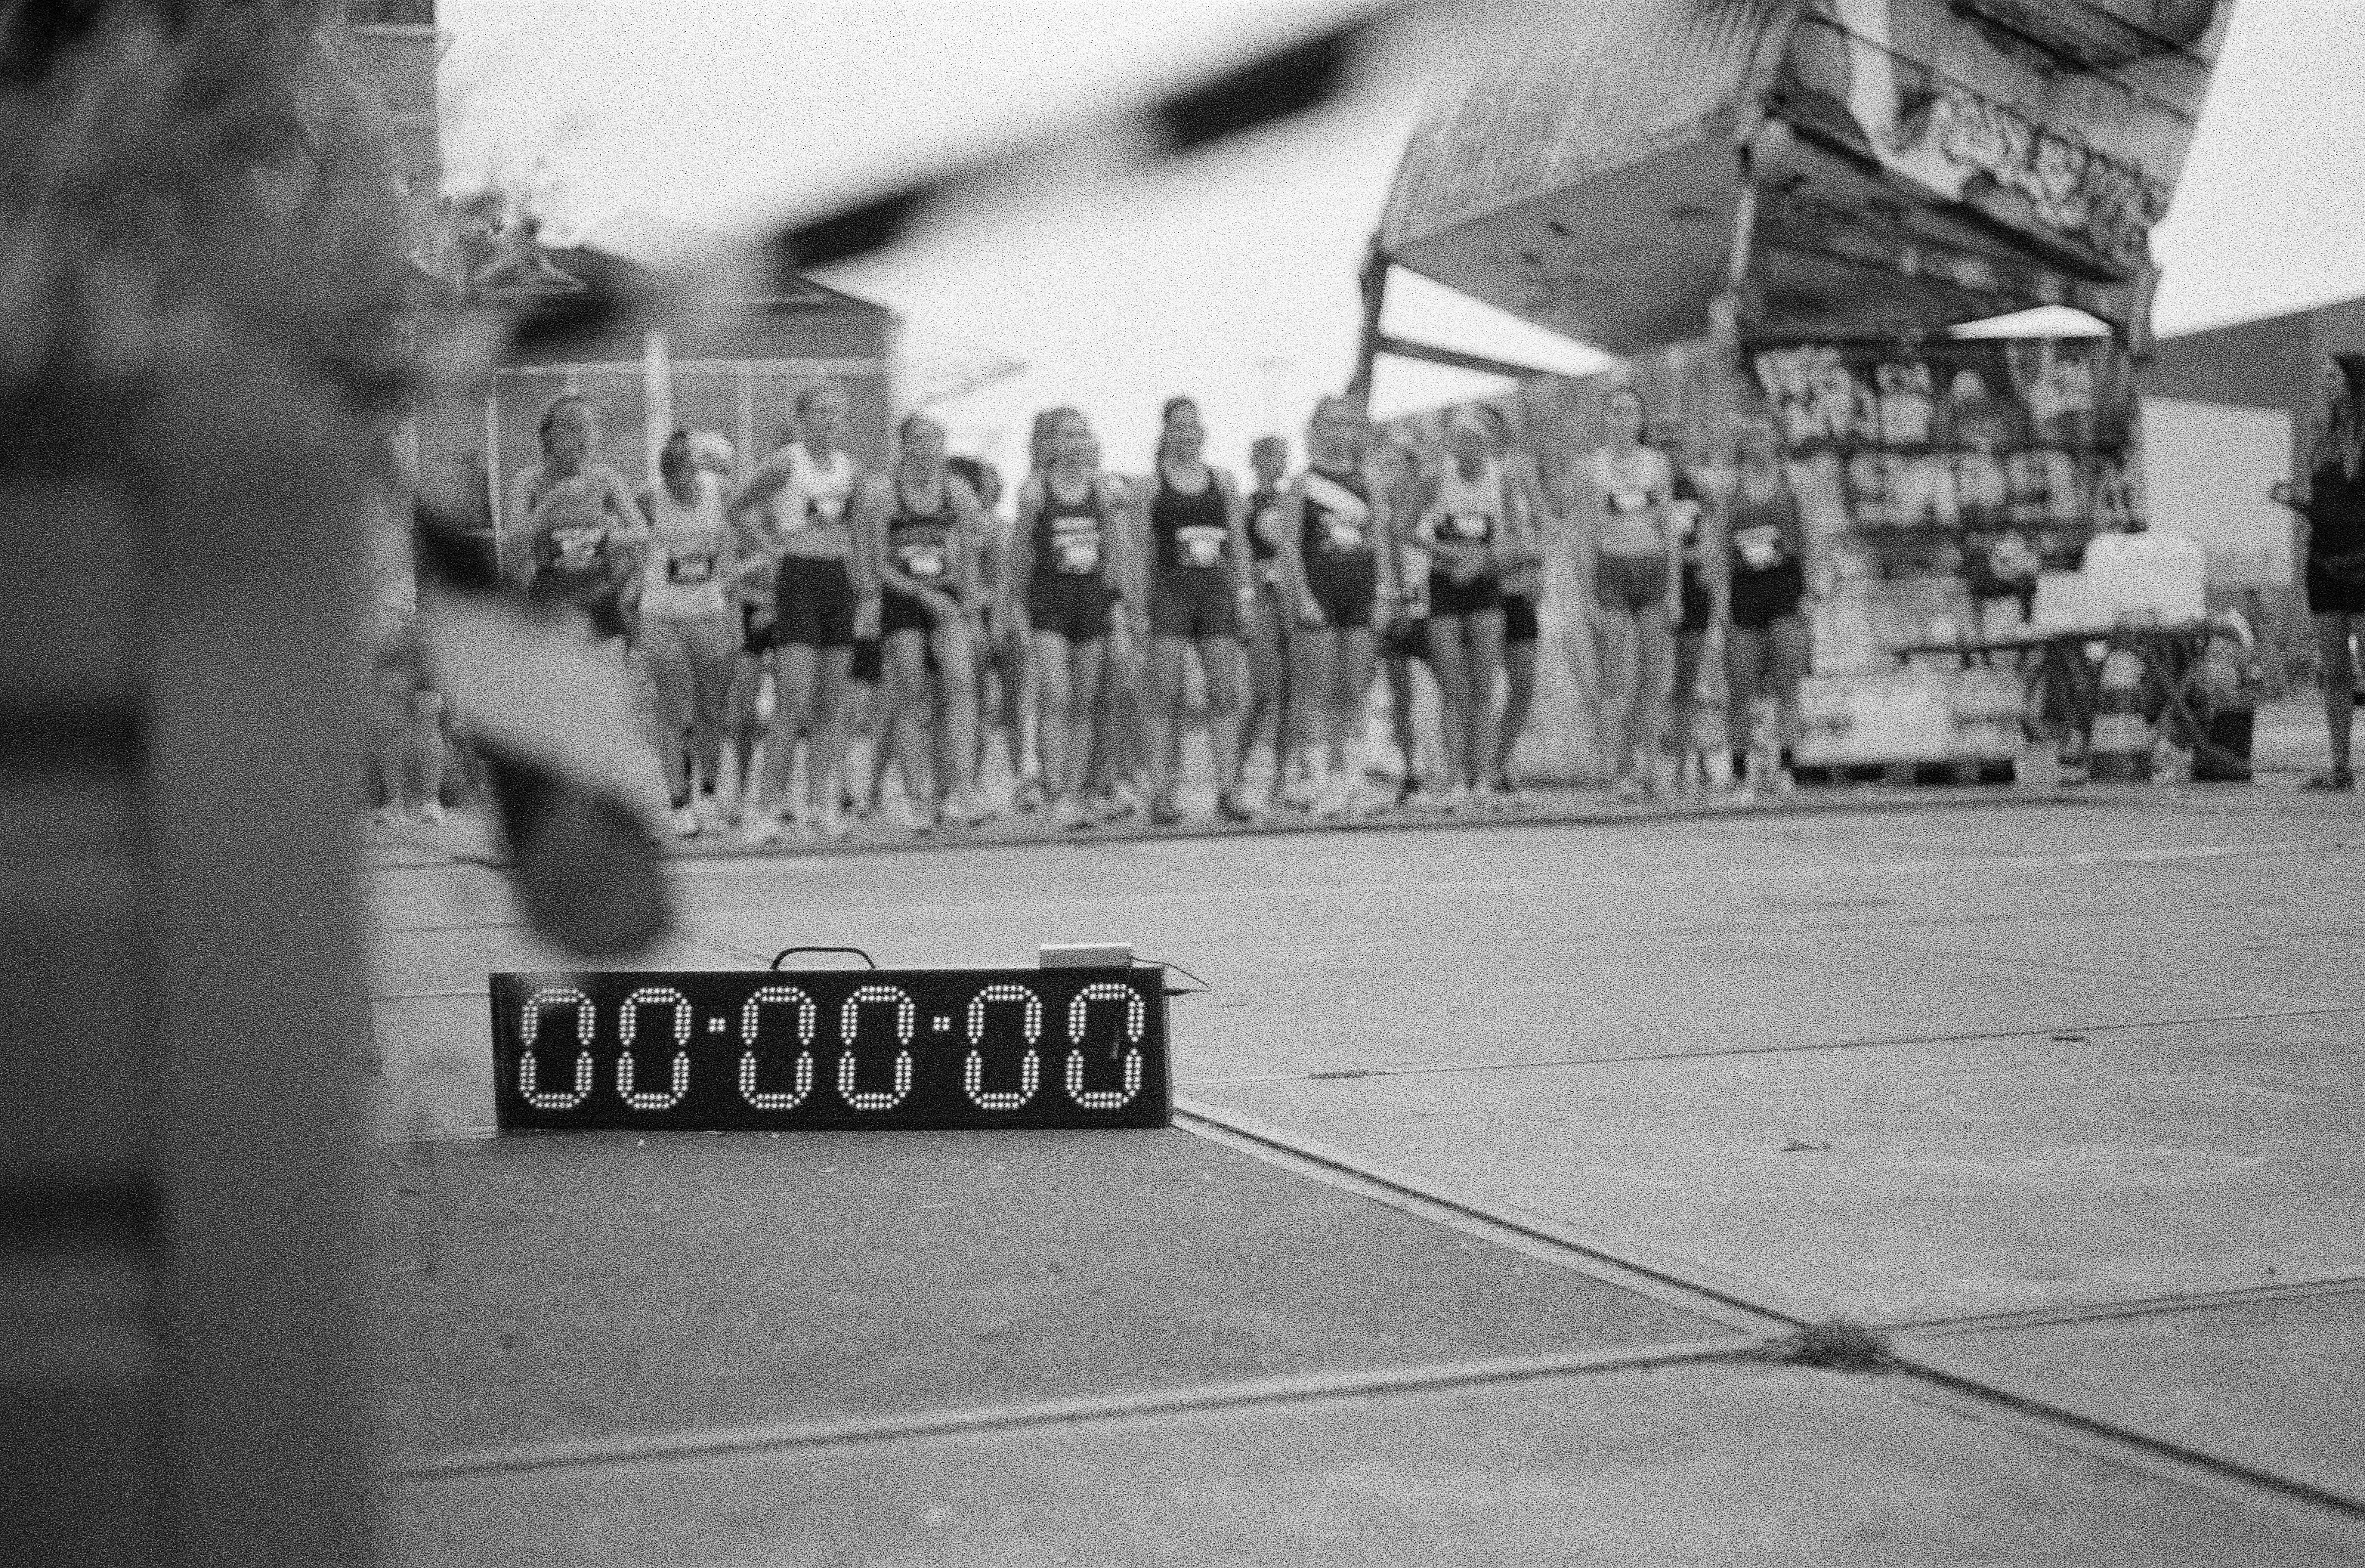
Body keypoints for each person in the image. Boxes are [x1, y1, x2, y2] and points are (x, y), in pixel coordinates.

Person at [728, 383, 876, 843]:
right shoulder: (785, 462)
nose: (827, 423)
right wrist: (769, 551)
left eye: (834, 415)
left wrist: (865, 589)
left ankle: (819, 801)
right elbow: (737, 506)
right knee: (793, 700)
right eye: (817, 415)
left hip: (838, 580)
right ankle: (767, 807)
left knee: (832, 701)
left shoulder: (849, 469)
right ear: (801, 418)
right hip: (796, 578)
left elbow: (857, 531)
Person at [1006, 407, 1135, 829]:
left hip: (1092, 602)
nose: (1076, 443)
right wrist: (1014, 607)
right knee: (1055, 696)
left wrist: (1118, 605)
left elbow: (1115, 553)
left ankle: (1078, 791)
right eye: (1067, 436)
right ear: (1052, 444)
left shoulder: (1102, 491)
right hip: (1048, 603)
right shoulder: (1037, 490)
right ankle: (1055, 791)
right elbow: (1020, 551)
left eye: (1083, 435)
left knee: (1085, 700)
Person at [868, 413, 994, 829]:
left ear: (942, 448)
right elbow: (875, 563)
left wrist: (971, 609)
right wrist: (921, 593)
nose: (926, 449)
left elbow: (972, 551)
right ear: (904, 446)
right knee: (911, 689)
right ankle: (918, 794)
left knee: (959, 685)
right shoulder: (884, 493)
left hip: (949, 595)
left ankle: (957, 791)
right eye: (918, 441)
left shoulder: (956, 493)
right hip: (904, 595)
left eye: (933, 442)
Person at [1140, 397, 1259, 824]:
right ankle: (1162, 792)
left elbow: (1240, 544)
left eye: (1195, 425)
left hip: (1218, 592)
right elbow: (1142, 548)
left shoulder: (1223, 480)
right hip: (1172, 592)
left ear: (1203, 431)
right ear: (1167, 432)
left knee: (1229, 691)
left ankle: (1228, 787)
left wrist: (1245, 593)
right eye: (1180, 426)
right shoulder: (1153, 485)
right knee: (1165, 694)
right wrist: (1139, 603)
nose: (1189, 433)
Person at [1282, 395, 1396, 817]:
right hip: (1318, 592)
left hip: (1361, 591)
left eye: (1346, 424)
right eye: (1329, 424)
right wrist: (1304, 596)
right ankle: (1313, 777)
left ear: (1356, 430)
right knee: (1315, 687)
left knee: (1354, 687)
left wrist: (1385, 589)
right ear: (1316, 430)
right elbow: (1290, 546)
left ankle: (1347, 776)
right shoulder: (1303, 483)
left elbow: (1381, 543)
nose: (1338, 432)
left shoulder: (1370, 482)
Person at [634, 430, 742, 837]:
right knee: (675, 708)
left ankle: (711, 793)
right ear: (664, 473)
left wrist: (732, 606)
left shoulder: (720, 495)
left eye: (690, 466)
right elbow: (629, 533)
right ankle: (680, 801)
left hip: (709, 613)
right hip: (662, 615)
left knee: (712, 710)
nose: (682, 476)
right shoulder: (651, 500)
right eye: (673, 469)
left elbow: (736, 545)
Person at [1582, 384, 1679, 801]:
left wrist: (1674, 588)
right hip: (1611, 568)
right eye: (1615, 412)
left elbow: (1669, 527)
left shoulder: (1657, 464)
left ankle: (1646, 759)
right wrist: (1586, 592)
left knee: (1654, 673)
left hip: (1652, 565)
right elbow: (1586, 532)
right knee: (1619, 673)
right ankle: (1616, 766)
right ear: (1606, 420)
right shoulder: (1592, 466)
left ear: (1639, 420)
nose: (1622, 419)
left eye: (1629, 412)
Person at [2272, 354, 2365, 790]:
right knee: (2333, 669)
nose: (2324, 382)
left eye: (2332, 376)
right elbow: (2319, 502)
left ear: (2352, 384)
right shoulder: (2318, 437)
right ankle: (2341, 764)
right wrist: (2294, 500)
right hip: (2325, 563)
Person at [1410, 414, 1508, 809]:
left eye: (1477, 440)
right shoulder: (1438, 479)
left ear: (1487, 445)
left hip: (1484, 584)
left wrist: (1483, 561)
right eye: (1462, 440)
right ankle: (1453, 778)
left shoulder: (1499, 481)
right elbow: (1411, 529)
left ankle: (1481, 777)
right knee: (1454, 684)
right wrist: (1448, 556)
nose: (1470, 447)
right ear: (1453, 444)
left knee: (1486, 684)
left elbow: (1508, 537)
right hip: (1444, 585)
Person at [1720, 417, 1814, 802]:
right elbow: (1718, 551)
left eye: (1764, 443)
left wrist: (1804, 590)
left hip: (1783, 592)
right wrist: (1724, 599)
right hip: (1745, 592)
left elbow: (1806, 544)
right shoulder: (1730, 496)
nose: (1758, 451)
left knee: (1787, 683)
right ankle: (1742, 770)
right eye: (1750, 445)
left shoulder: (1790, 493)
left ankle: (1788, 765)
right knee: (1740, 685)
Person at [508, 393, 646, 636]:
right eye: (572, 429)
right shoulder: (528, 481)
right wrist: (549, 506)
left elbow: (643, 535)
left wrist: (608, 536)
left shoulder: (607, 480)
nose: (582, 438)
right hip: (550, 590)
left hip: (601, 589)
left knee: (606, 668)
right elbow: (512, 540)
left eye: (588, 429)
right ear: (549, 436)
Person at [1476, 404, 1553, 803]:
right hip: (1485, 588)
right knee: (1482, 684)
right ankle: (1476, 771)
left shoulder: (1520, 470)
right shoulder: (1465, 477)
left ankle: (1499, 762)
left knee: (1524, 685)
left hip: (1519, 588)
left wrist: (1537, 575)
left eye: (1489, 428)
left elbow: (1539, 527)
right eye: (1476, 430)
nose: (1483, 437)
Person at [1371, 439, 1436, 806]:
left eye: (1397, 466)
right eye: (1384, 468)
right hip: (1394, 609)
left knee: (1449, 683)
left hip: (1432, 605)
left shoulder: (1431, 504)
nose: (1391, 475)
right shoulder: (1378, 513)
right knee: (1400, 694)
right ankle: (1410, 770)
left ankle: (1455, 769)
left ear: (1412, 469)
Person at [1240, 434, 1298, 806]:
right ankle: (1239, 770)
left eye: (1281, 457)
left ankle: (1282, 779)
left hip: (1294, 599)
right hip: (1263, 601)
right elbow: (1239, 554)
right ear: (1255, 461)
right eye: (1267, 457)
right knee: (1265, 689)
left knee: (1294, 691)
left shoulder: (1295, 500)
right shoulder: (1244, 505)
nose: (1274, 464)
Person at [1659, 433, 1717, 795]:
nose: (1675, 459)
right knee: (1659, 677)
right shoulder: (1647, 493)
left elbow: (1707, 545)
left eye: (1680, 451)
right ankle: (1661, 764)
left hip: (1694, 591)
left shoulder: (1695, 495)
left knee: (1690, 678)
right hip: (1657, 586)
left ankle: (1691, 764)